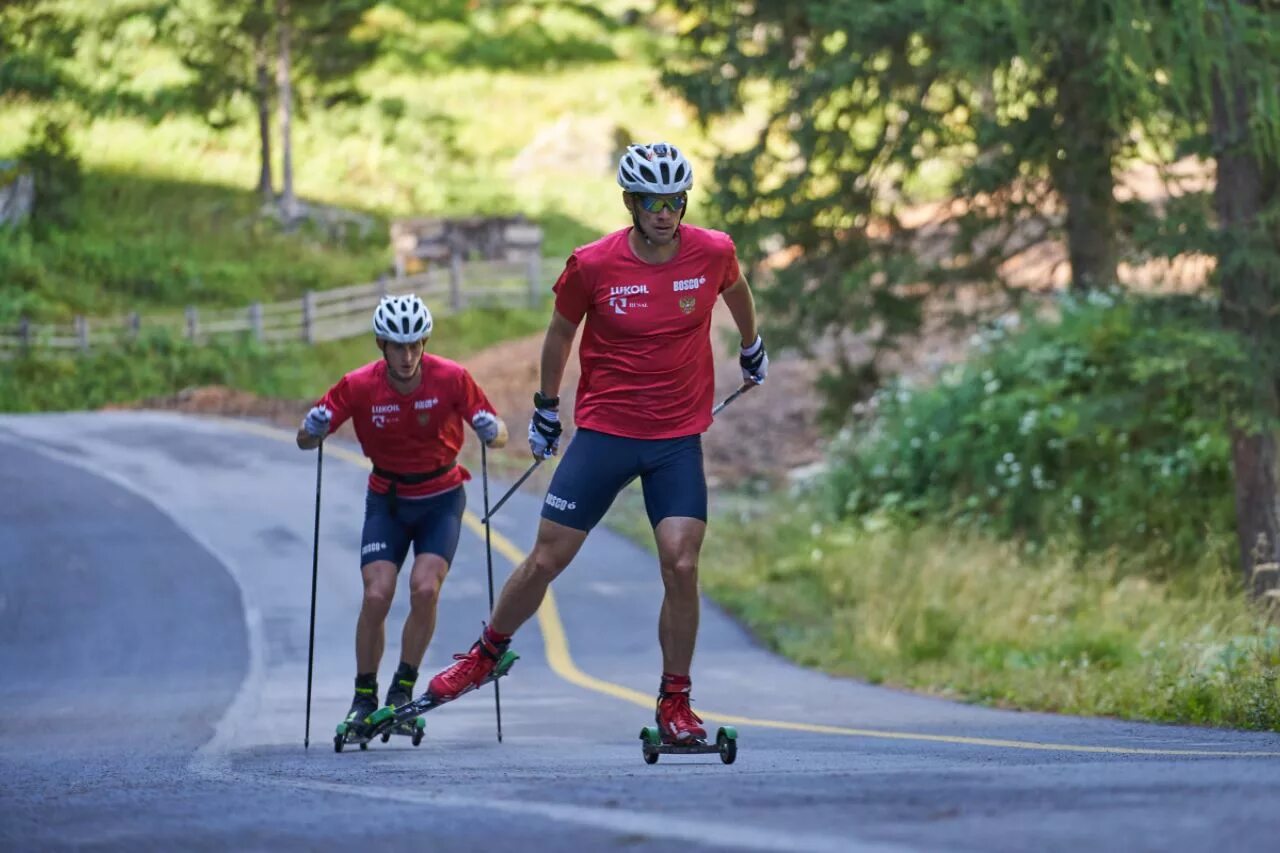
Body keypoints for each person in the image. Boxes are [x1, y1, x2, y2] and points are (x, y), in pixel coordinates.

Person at [424, 141, 768, 744]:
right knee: (546, 559)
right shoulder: (593, 264)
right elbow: (560, 333)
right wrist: (545, 409)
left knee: (682, 564)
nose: (665, 211)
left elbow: (735, 289)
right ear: (631, 203)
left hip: (676, 437)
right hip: (606, 432)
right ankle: (485, 654)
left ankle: (675, 702)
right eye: (652, 201)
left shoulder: (713, 251)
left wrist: (750, 344)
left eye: (675, 200)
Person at [296, 293, 509, 731]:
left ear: (425, 343)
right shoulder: (357, 386)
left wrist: (493, 431)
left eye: (415, 345)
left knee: (425, 589)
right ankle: (363, 694)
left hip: (442, 497)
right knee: (377, 595)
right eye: (398, 346)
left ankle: (402, 689)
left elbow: (498, 432)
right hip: (388, 500)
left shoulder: (452, 378)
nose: (408, 355)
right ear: (382, 346)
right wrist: (312, 428)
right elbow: (305, 439)